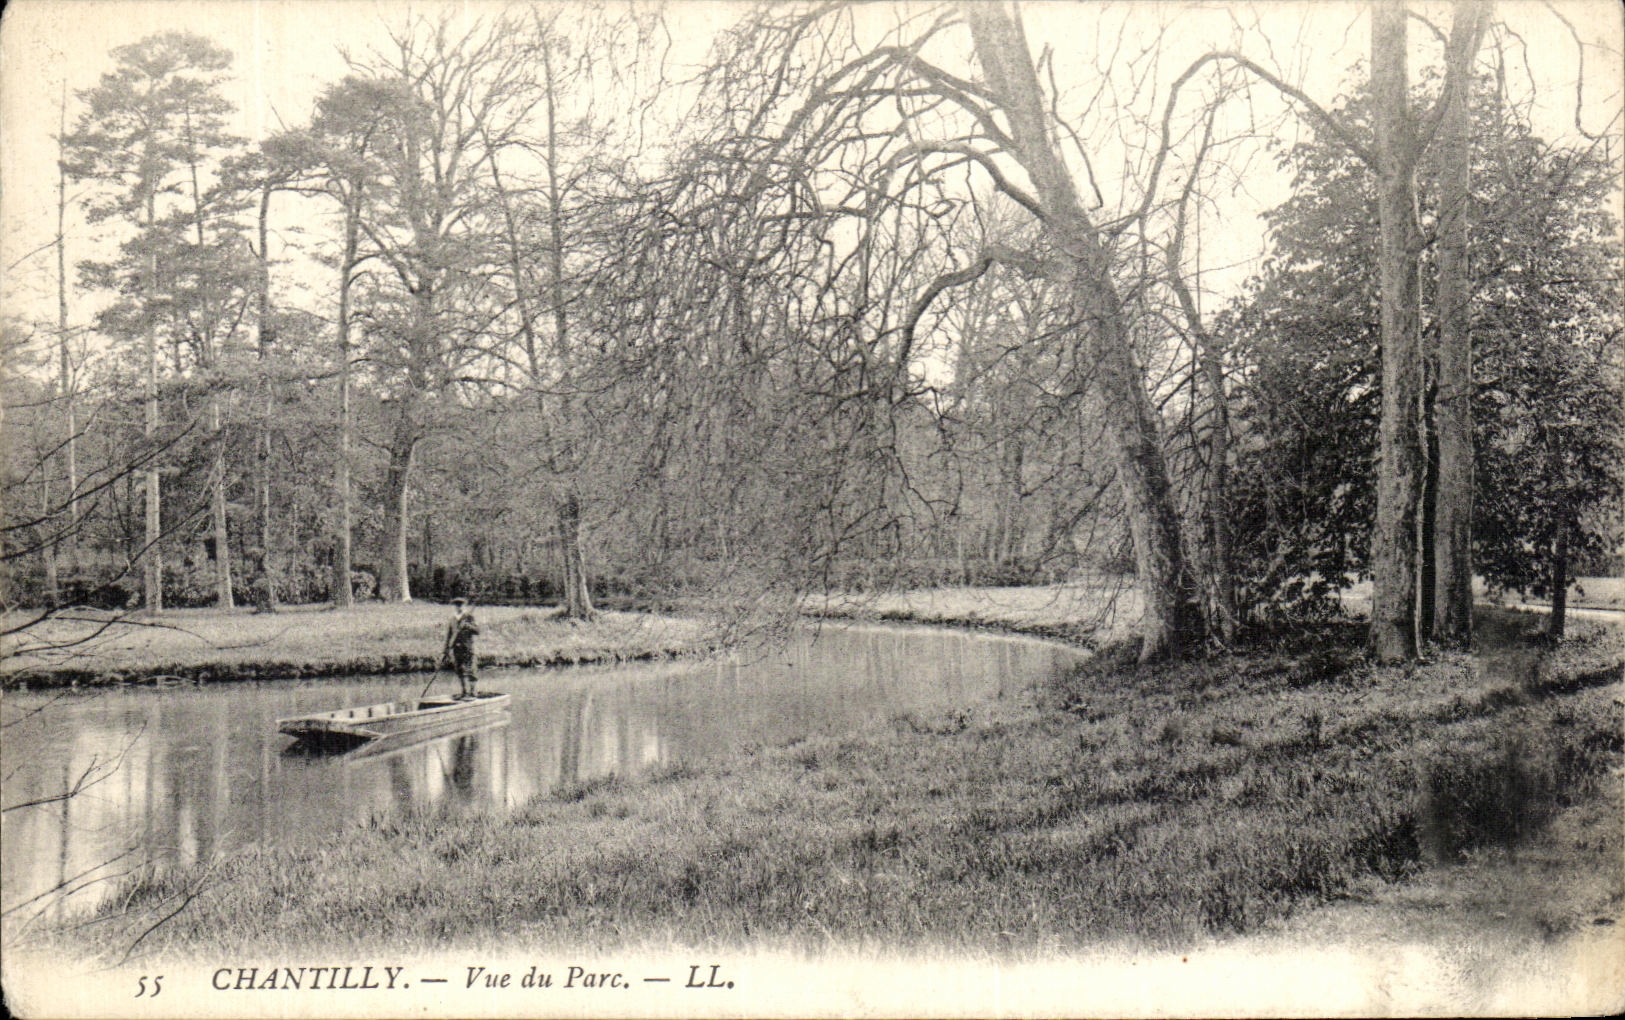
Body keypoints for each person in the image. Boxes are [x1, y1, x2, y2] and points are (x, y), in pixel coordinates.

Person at [440, 597, 481, 699]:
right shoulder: (452, 619)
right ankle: (464, 692)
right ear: (454, 606)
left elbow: (477, 631)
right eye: (457, 605)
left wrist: (467, 625)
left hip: (468, 648)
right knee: (460, 670)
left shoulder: (469, 617)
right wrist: (446, 649)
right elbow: (449, 635)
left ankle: (473, 692)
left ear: (464, 606)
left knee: (471, 669)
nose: (459, 607)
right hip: (456, 649)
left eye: (461, 605)